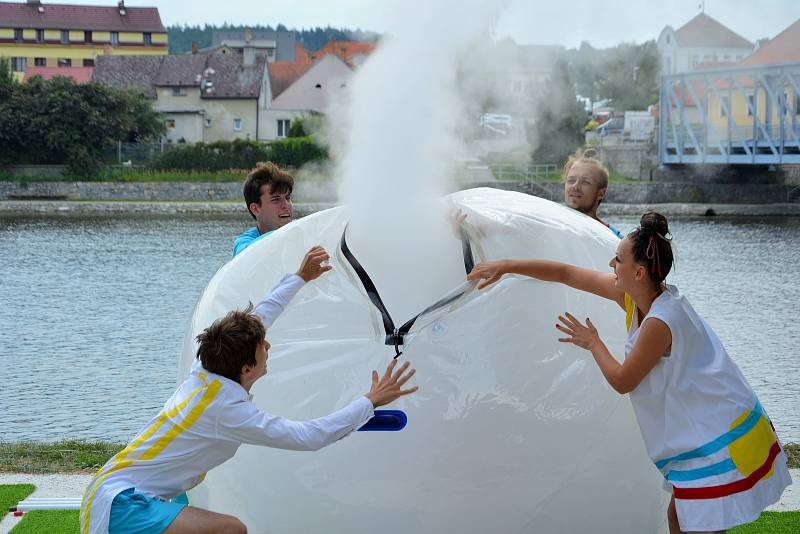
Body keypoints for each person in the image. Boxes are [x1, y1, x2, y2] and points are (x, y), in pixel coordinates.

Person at [466, 212, 791, 534]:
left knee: (693, 520)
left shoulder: (660, 322)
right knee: (681, 518)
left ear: (638, 271)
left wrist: (593, 342)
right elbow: (564, 272)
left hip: (715, 428)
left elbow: (623, 380)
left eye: (617, 260)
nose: (610, 265)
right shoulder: (635, 296)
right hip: (704, 420)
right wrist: (504, 266)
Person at [81, 246, 419, 534]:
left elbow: (261, 316)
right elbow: (309, 436)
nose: (268, 345)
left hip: (118, 489)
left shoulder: (209, 366)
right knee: (232, 529)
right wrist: (370, 401)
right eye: (262, 348)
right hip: (122, 502)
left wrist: (300, 277)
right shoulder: (228, 410)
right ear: (246, 368)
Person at [232, 162, 294, 257]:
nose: (286, 205)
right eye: (276, 200)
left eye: (288, 198)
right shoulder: (243, 243)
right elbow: (245, 256)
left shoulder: (302, 229)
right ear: (255, 209)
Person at [563, 148, 624, 238]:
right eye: (571, 180)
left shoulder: (615, 240)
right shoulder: (549, 226)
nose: (575, 186)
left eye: (585, 182)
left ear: (601, 194)